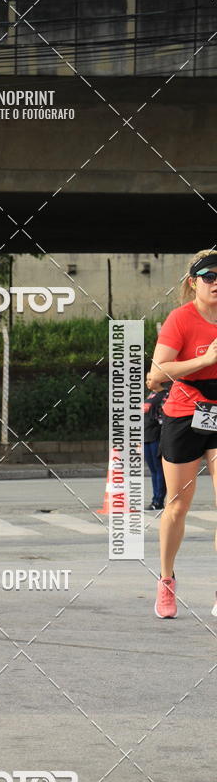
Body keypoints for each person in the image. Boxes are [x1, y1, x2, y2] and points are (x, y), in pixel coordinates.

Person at [149, 249, 217, 619]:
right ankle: (166, 580)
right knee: (178, 505)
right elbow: (157, 373)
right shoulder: (181, 319)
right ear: (193, 283)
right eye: (209, 276)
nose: (216, 283)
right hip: (186, 412)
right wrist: (205, 360)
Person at [143, 373, 169, 510]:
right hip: (146, 437)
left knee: (159, 469)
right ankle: (155, 498)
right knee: (153, 470)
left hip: (157, 438)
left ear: (159, 380)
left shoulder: (165, 395)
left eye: (150, 379)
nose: (147, 382)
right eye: (147, 379)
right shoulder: (150, 396)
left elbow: (164, 419)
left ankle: (158, 500)